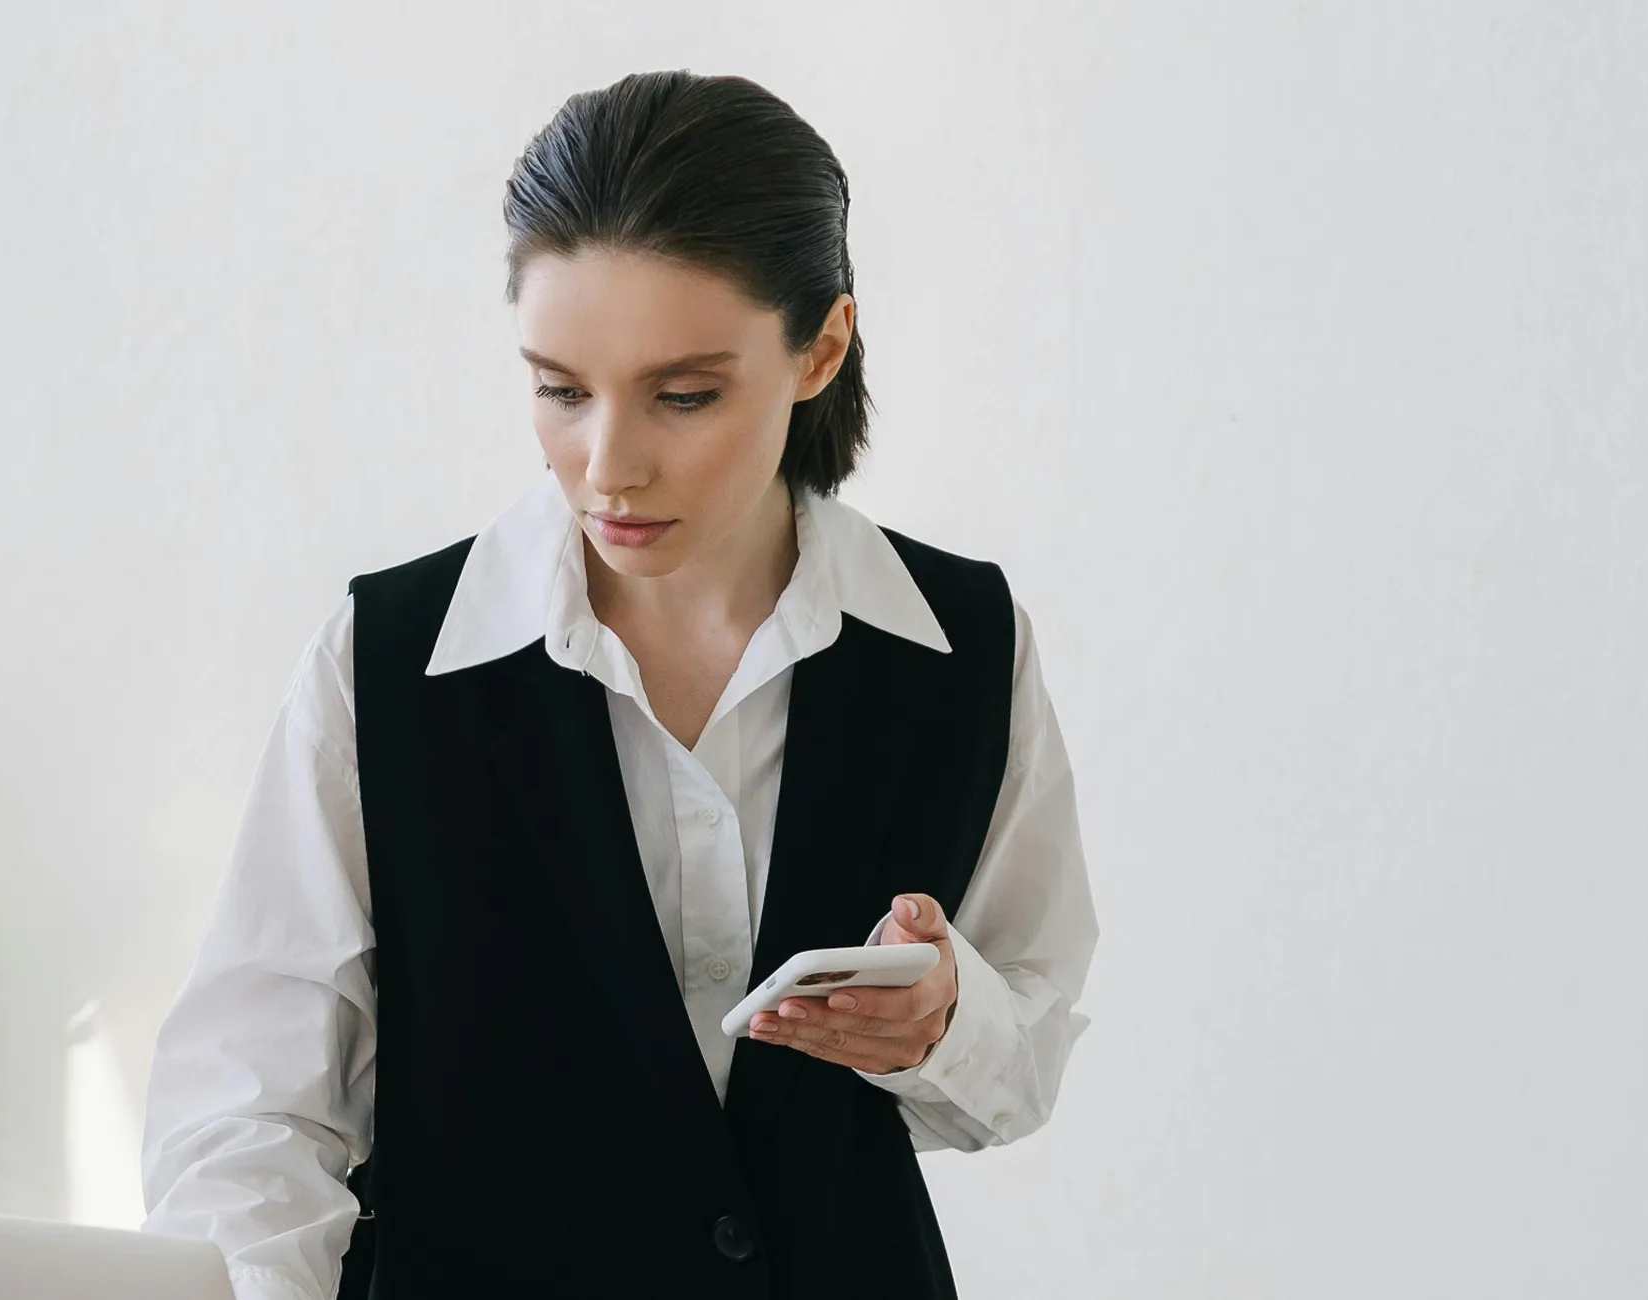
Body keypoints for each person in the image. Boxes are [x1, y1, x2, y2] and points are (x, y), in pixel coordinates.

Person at [138, 70, 1097, 1300]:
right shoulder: (383, 660)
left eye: (683, 396)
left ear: (821, 348)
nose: (609, 465)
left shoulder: (963, 643)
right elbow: (248, 1113)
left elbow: (1024, 1055)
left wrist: (944, 1024)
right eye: (559, 389)